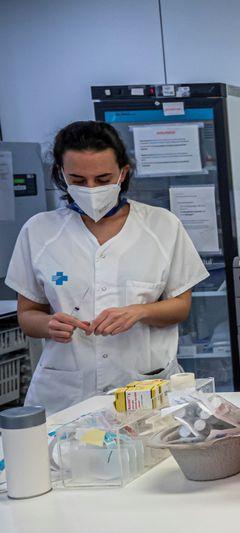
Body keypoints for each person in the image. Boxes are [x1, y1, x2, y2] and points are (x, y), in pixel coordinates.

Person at [5, 121, 208, 413]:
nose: (91, 189)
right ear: (61, 174)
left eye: (102, 179)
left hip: (141, 385)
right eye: (77, 179)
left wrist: (138, 312)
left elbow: (180, 307)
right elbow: (28, 315)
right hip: (66, 393)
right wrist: (49, 325)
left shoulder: (161, 226)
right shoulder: (39, 232)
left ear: (123, 173)